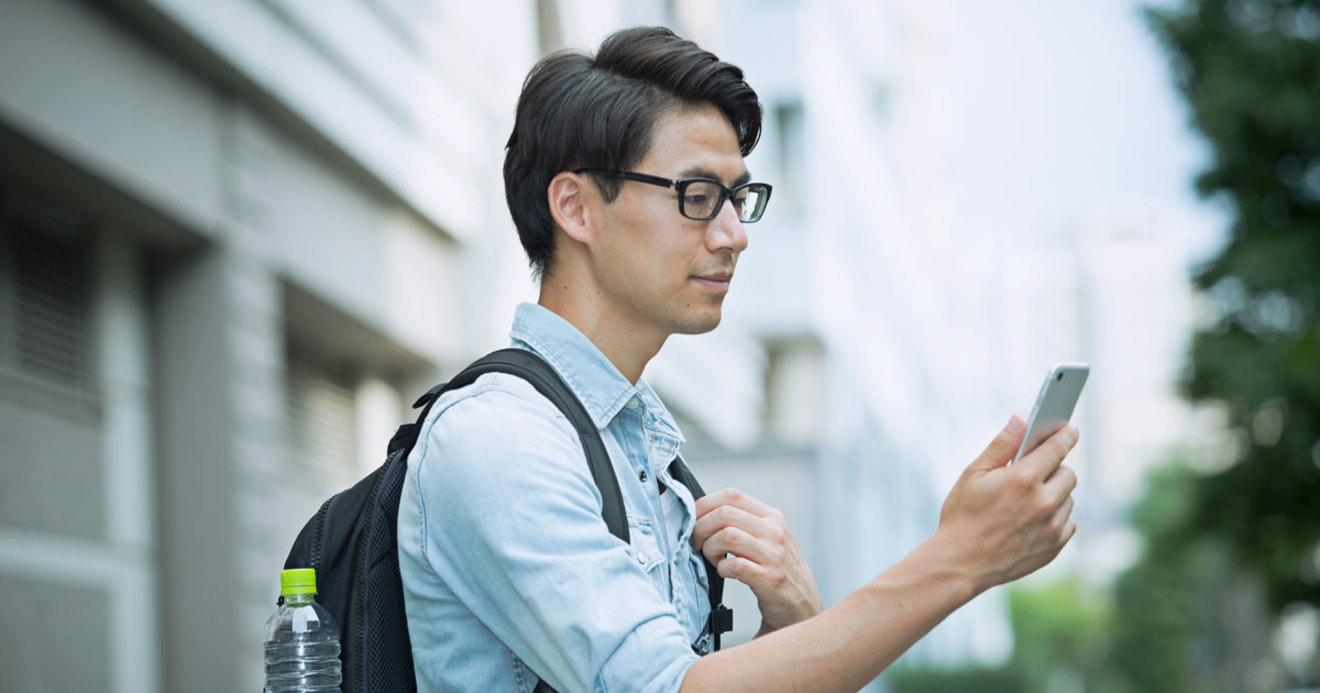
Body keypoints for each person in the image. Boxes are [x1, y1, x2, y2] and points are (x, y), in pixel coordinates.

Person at [397, 25, 1079, 692]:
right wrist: (958, 558)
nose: (733, 235)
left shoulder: (647, 458)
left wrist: (792, 624)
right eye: (696, 197)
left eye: (738, 198)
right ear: (576, 207)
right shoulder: (501, 438)